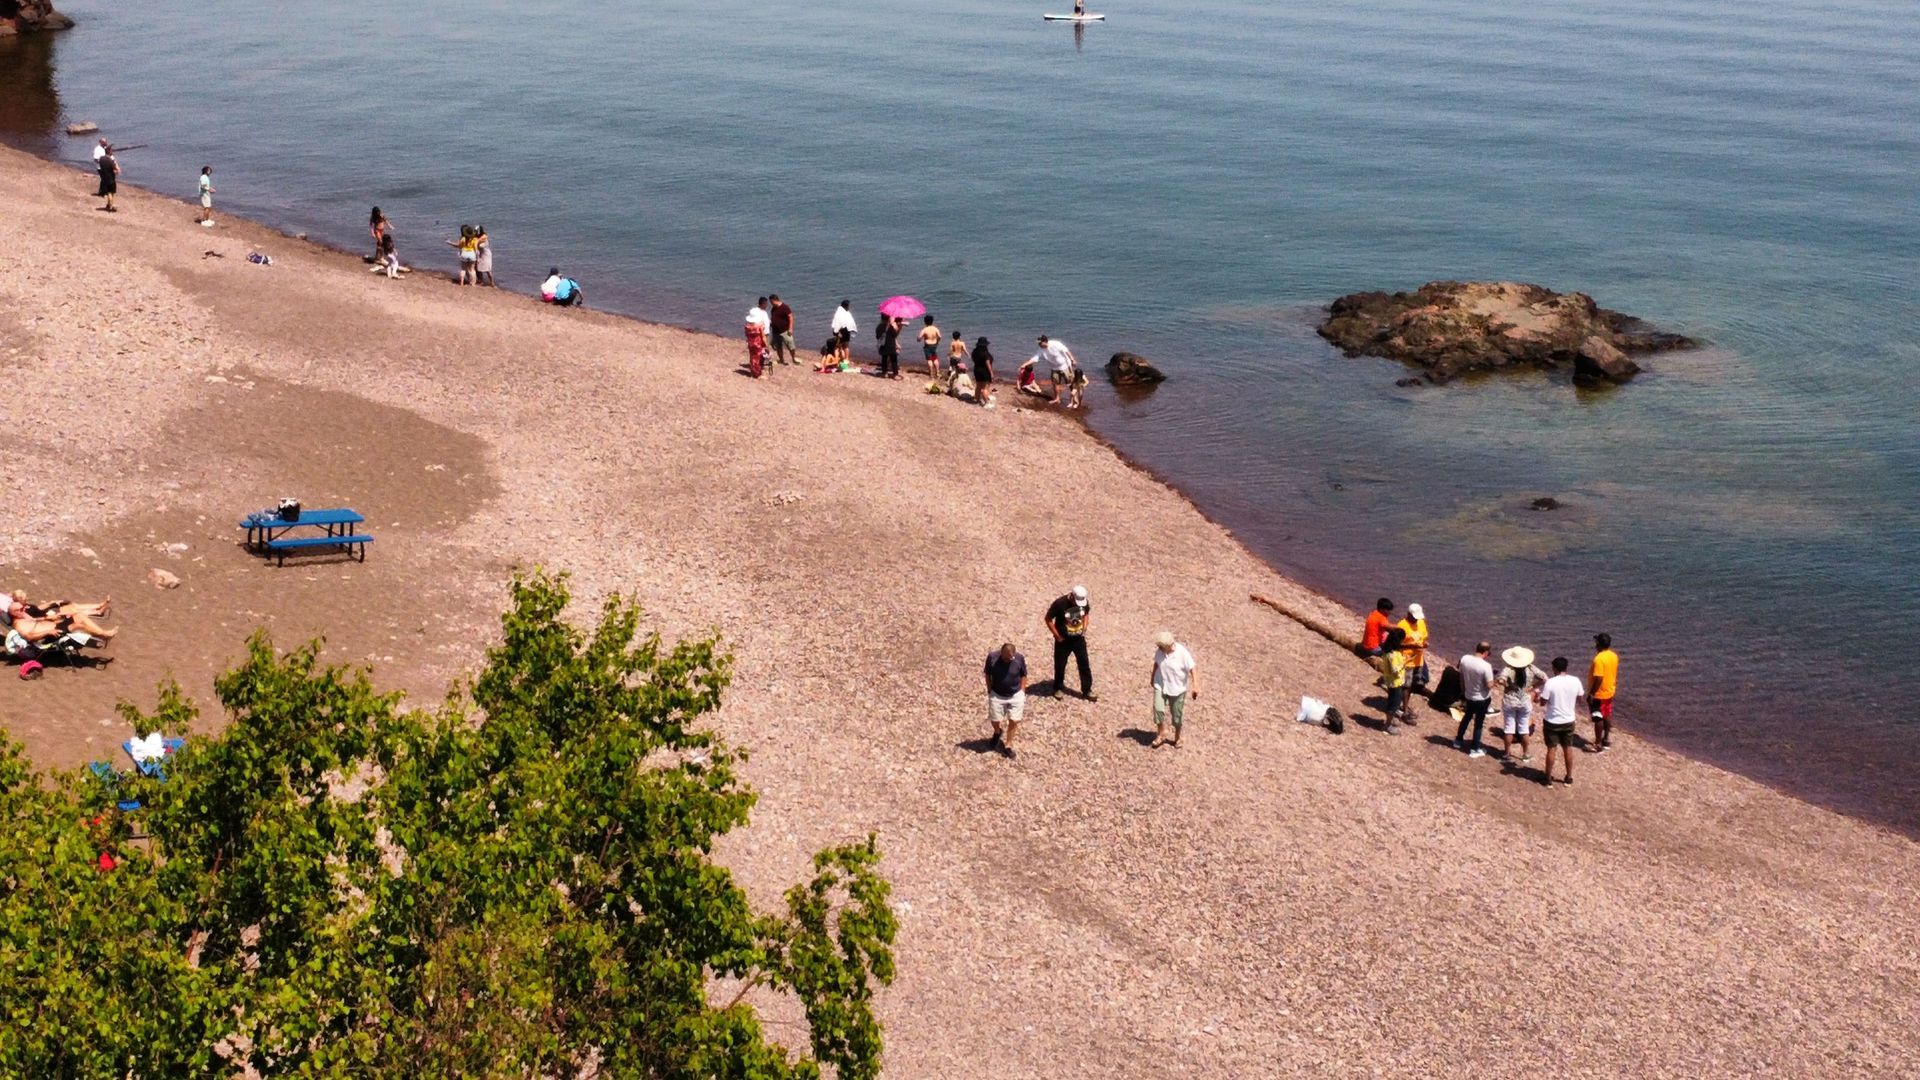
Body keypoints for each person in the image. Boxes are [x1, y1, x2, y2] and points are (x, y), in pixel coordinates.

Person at [1044, 586, 1095, 700]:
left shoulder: (1084, 602)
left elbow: (1086, 613)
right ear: (1071, 595)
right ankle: (1058, 688)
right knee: (1060, 665)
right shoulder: (1059, 603)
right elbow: (1048, 619)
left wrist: (1085, 628)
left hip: (1078, 639)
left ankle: (1087, 690)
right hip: (1063, 641)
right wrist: (1057, 635)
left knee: (1084, 664)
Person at [1147, 631, 1197, 748]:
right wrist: (1153, 677)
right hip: (1161, 684)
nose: (1158, 648)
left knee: (1176, 715)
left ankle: (1178, 737)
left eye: (1161, 646)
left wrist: (1195, 685)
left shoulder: (1182, 653)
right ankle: (1162, 732)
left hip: (1177, 689)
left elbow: (1193, 668)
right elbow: (1156, 664)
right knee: (1158, 708)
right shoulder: (1160, 652)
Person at [1540, 656, 1583, 786]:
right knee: (1568, 748)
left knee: (1551, 749)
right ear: (1566, 667)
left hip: (1552, 720)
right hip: (1569, 720)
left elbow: (1543, 702)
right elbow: (1580, 698)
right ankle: (1568, 777)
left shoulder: (1551, 682)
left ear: (1554, 668)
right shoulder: (1575, 680)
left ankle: (1548, 778)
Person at [1495, 646, 1543, 764]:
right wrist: (1533, 687)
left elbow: (1500, 679)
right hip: (1524, 701)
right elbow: (1544, 677)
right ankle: (1525, 754)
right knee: (1523, 728)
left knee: (1509, 728)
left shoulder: (1509, 669)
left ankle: (1507, 754)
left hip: (1510, 701)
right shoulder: (1531, 668)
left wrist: (1508, 686)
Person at [983, 642, 1028, 758]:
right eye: (1005, 657)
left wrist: (1022, 691)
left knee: (1014, 720)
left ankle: (1008, 745)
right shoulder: (992, 657)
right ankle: (997, 731)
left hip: (1015, 694)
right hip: (997, 694)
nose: (1007, 660)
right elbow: (987, 673)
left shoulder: (1019, 659)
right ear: (1001, 653)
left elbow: (1024, 674)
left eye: (1010, 658)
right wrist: (989, 689)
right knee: (994, 718)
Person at [1453, 642, 1495, 757]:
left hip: (1469, 694)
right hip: (1481, 698)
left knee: (1466, 717)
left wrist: (1463, 690)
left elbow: (1461, 675)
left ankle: (1458, 740)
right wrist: (1495, 680)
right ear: (1486, 652)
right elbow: (1489, 685)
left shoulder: (1465, 659)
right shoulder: (1486, 666)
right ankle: (1475, 748)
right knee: (1479, 723)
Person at [1373, 627, 1410, 734]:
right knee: (1394, 703)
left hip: (1391, 681)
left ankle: (1390, 720)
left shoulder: (1387, 651)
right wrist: (1404, 663)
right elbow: (1395, 670)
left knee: (1392, 701)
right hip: (1395, 682)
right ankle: (1387, 725)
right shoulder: (1392, 655)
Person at [1588, 633, 1619, 753]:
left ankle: (1597, 743)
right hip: (1610, 690)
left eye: (1596, 642)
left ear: (1599, 644)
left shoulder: (1599, 659)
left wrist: (1592, 693)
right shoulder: (1613, 656)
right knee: (1606, 714)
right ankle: (1606, 740)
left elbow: (1599, 678)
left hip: (1599, 693)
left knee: (1597, 717)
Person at [1029, 336, 1077, 406]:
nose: (1039, 345)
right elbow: (1035, 358)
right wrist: (1025, 364)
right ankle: (1057, 398)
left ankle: (1075, 399)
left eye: (1040, 343)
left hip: (1065, 366)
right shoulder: (1041, 349)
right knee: (1055, 383)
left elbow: (1066, 350)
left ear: (1045, 341)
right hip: (1054, 368)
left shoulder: (1056, 344)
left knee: (1070, 383)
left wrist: (1073, 359)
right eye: (1038, 343)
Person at [1398, 603, 1430, 694]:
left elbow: (1423, 637)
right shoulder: (1402, 625)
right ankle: (1403, 702)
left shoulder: (1421, 622)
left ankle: (1412, 691)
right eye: (1414, 617)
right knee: (1406, 683)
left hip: (1418, 658)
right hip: (1407, 660)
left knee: (1418, 678)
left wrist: (1424, 643)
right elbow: (1398, 644)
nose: (1416, 619)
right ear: (1408, 614)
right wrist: (1413, 646)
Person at [744, 298, 772, 379]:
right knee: (759, 357)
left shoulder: (747, 326)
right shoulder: (759, 327)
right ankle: (758, 373)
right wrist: (766, 345)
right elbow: (763, 337)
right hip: (758, 343)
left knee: (753, 357)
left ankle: (754, 371)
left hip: (751, 343)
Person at [768, 294, 796, 366]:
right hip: (775, 331)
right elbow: (773, 317)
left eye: (771, 302)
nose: (771, 304)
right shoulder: (773, 309)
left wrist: (790, 328)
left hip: (785, 331)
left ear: (775, 300)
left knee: (790, 345)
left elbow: (790, 317)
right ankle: (781, 359)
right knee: (778, 347)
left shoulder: (785, 307)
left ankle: (793, 358)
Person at [971, 337, 997, 409]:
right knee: (985, 388)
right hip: (984, 371)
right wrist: (991, 373)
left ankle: (976, 399)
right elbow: (987, 363)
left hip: (977, 370)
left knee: (978, 385)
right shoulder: (985, 353)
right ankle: (987, 402)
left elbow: (973, 360)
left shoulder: (975, 352)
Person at [831, 301, 858, 366]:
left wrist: (835, 331)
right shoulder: (847, 313)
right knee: (846, 346)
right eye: (848, 306)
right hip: (847, 330)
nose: (849, 307)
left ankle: (837, 359)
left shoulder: (839, 312)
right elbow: (851, 322)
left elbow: (837, 322)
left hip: (841, 330)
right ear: (846, 306)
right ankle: (846, 360)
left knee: (837, 347)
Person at [917, 315, 943, 381]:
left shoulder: (924, 329)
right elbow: (940, 336)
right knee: (935, 358)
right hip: (934, 345)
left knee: (929, 360)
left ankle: (931, 374)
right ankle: (937, 373)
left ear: (925, 322)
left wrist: (918, 339)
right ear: (932, 321)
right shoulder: (935, 328)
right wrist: (937, 341)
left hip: (927, 346)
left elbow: (919, 338)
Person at [96, 145, 119, 212]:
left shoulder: (101, 159)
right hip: (111, 178)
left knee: (109, 192)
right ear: (109, 151)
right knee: (111, 192)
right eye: (111, 150)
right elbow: (115, 170)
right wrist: (116, 169)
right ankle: (111, 206)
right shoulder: (110, 160)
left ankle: (108, 204)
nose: (112, 151)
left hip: (104, 177)